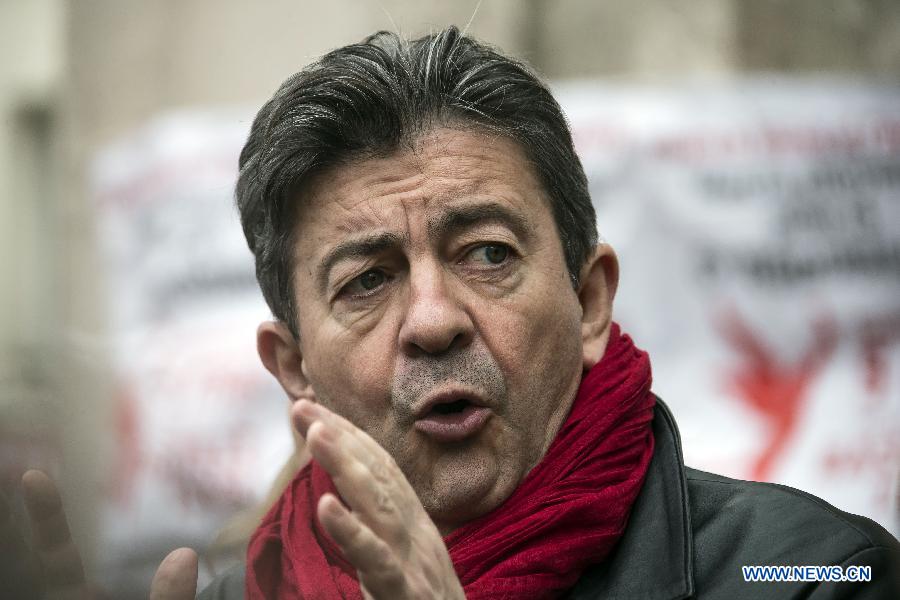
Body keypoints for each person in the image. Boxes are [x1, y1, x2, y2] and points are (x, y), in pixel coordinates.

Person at [5, 26, 900, 599]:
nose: (434, 321)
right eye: (367, 280)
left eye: (487, 255)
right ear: (295, 368)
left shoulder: (812, 571)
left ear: (589, 302)